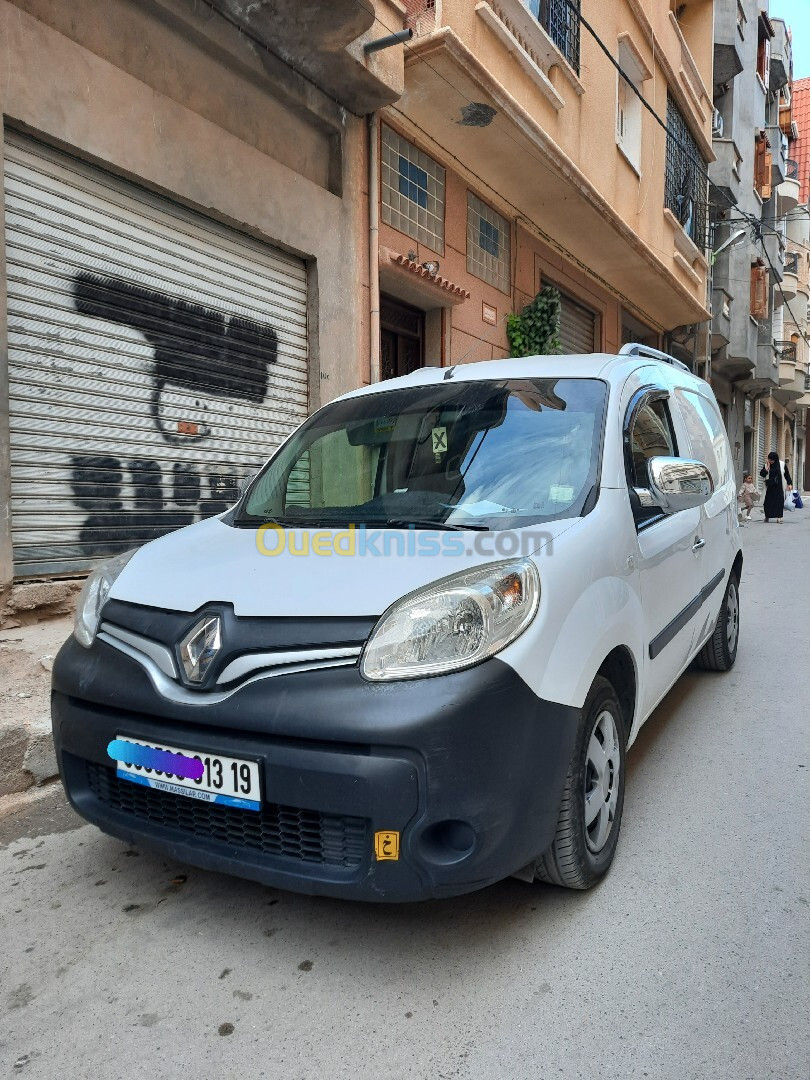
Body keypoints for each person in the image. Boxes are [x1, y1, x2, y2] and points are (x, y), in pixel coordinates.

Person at [760, 451, 785, 523]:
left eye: (771, 460)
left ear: (775, 459)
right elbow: (762, 474)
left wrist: (789, 484)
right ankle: (767, 516)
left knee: (779, 502)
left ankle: (779, 517)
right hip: (769, 487)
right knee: (768, 502)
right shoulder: (766, 465)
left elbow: (786, 474)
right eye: (769, 459)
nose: (770, 461)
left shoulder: (781, 465)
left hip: (778, 487)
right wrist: (767, 468)